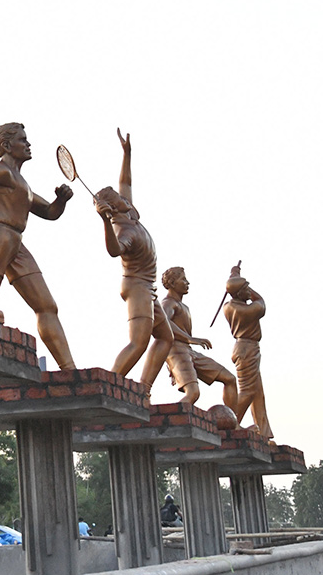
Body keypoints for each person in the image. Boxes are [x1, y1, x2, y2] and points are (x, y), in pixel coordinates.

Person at [0, 123, 76, 369]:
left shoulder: (22, 183)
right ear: (6, 146)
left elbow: (49, 212)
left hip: (16, 244)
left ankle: (69, 370)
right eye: (23, 140)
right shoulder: (0, 173)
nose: (28, 144)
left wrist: (61, 200)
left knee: (46, 306)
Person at [95, 129, 174, 393]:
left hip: (148, 287)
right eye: (116, 197)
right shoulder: (123, 229)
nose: (121, 195)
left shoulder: (129, 211)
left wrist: (126, 154)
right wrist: (105, 222)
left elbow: (125, 182)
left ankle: (143, 388)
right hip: (137, 286)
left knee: (165, 337)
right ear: (112, 206)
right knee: (138, 342)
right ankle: (105, 386)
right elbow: (114, 251)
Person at [160, 267, 239, 412]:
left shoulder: (184, 306)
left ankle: (234, 425)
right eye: (183, 279)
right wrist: (189, 338)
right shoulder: (168, 303)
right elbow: (163, 321)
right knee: (193, 393)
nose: (187, 282)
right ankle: (169, 420)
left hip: (190, 351)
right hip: (176, 352)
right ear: (171, 282)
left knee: (230, 379)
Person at [222, 264, 274, 441]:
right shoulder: (242, 310)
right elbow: (260, 302)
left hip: (246, 348)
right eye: (245, 289)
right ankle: (229, 423)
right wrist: (241, 284)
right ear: (239, 293)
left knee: (257, 392)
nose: (248, 292)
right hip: (247, 349)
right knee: (248, 391)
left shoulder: (229, 305)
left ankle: (264, 432)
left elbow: (243, 293)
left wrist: (234, 275)